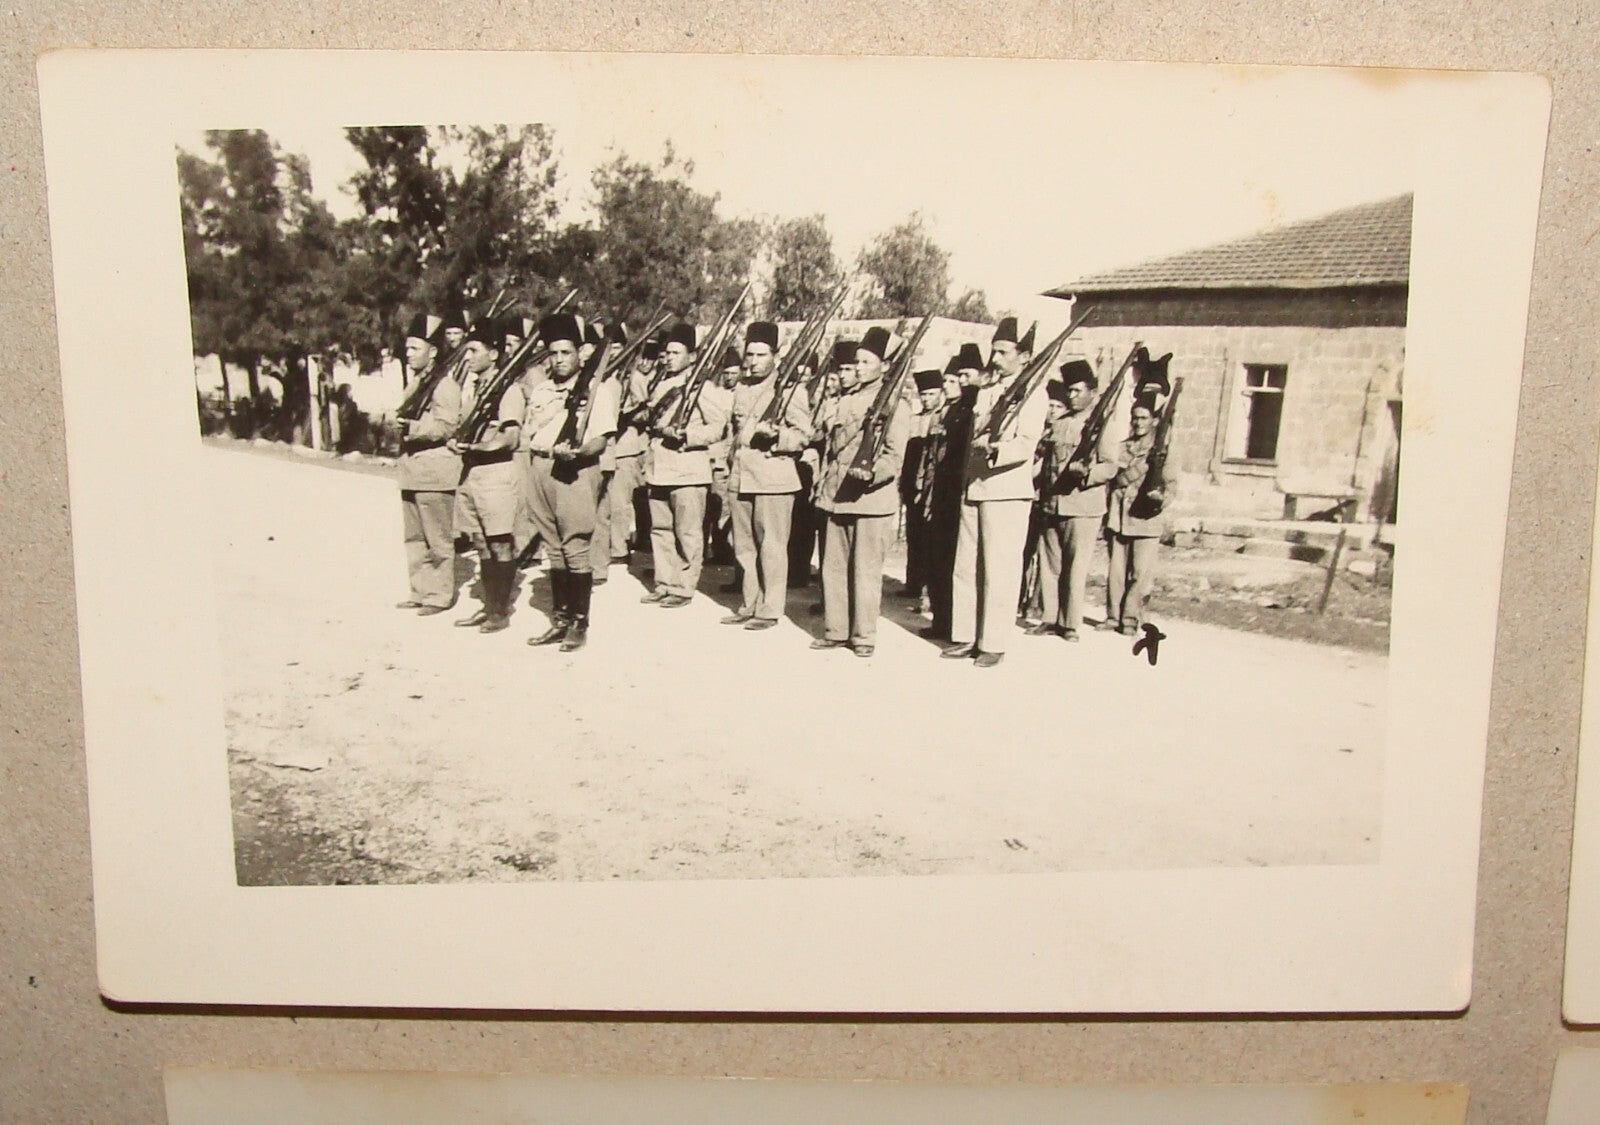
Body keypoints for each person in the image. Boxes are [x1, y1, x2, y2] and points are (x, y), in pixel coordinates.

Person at [945, 317, 1046, 668]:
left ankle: (994, 641)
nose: (996, 358)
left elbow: (1027, 443)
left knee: (999, 569)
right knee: (967, 565)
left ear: (1024, 356)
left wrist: (996, 450)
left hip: (1006, 490)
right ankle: (966, 635)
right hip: (975, 485)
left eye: (1003, 352)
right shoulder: (988, 391)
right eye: (994, 351)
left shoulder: (1034, 393)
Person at [521, 312, 621, 652]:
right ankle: (560, 620)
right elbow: (533, 431)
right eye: (554, 353)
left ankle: (579, 624)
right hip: (541, 468)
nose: (560, 359)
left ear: (580, 354)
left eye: (566, 352)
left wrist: (577, 452)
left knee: (575, 547)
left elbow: (602, 439)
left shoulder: (597, 390)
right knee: (553, 548)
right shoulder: (542, 390)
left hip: (574, 472)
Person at [812, 326, 913, 658]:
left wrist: (870, 475)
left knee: (866, 572)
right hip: (836, 495)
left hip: (870, 500)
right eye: (856, 362)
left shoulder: (897, 404)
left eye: (866, 362)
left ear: (884, 366)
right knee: (834, 568)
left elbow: (894, 457)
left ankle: (864, 636)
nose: (857, 368)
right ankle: (836, 630)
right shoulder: (845, 398)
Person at [723, 321, 813, 630]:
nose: (754, 361)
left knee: (772, 546)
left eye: (761, 355)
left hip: (773, 477)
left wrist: (775, 436)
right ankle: (749, 604)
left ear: (775, 354)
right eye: (750, 354)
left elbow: (804, 436)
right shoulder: (742, 388)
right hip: (741, 475)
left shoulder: (790, 390)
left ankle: (770, 609)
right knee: (744, 546)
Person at [640, 322, 732, 609]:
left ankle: (684, 587)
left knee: (688, 532)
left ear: (692, 356)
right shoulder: (660, 383)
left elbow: (718, 427)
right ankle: (664, 582)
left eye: (675, 352)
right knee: (661, 529)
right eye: (666, 353)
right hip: (659, 467)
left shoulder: (701, 388)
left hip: (687, 469)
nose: (668, 358)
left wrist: (688, 436)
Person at [447, 319, 525, 633]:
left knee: (499, 543)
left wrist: (478, 446)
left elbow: (510, 437)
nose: (468, 357)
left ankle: (500, 611)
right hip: (471, 472)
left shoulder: (508, 389)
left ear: (494, 355)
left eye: (474, 351)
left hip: (495, 474)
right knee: (480, 542)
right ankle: (489, 606)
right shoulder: (475, 387)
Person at [1032, 359, 1117, 641]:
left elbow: (1111, 465)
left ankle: (1069, 624)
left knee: (1075, 567)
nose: (1072, 396)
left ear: (1093, 391)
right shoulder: (1061, 423)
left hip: (1082, 506)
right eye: (1069, 391)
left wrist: (1087, 473)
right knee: (1050, 564)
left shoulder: (1103, 425)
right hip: (1053, 502)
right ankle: (1049, 617)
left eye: (1078, 391)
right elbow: (1045, 461)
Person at [394, 313, 463, 616]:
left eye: (414, 348)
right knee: (414, 537)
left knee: (437, 538)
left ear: (433, 351)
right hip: (412, 471)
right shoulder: (416, 384)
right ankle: (420, 590)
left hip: (435, 471)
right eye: (407, 349)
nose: (408, 354)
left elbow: (447, 426)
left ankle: (439, 594)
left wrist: (411, 428)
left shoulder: (445, 385)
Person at [1104, 357, 1172, 636]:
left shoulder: (1164, 451)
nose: (1138, 423)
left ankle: (1130, 617)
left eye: (1144, 418)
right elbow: (1114, 477)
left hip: (1146, 518)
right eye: (1135, 418)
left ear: (1155, 420)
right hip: (1120, 516)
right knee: (1116, 571)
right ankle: (1112, 616)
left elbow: (1172, 485)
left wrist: (1160, 498)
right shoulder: (1123, 447)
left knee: (1139, 573)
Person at [900, 368, 948, 616]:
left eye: (931, 394)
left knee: (930, 541)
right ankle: (913, 582)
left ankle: (926, 592)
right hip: (913, 484)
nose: (927, 399)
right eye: (924, 395)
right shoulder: (915, 419)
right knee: (914, 535)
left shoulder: (942, 418)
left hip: (931, 486)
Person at [610, 332, 660, 563]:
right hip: (611, 446)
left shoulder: (634, 378)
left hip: (627, 446)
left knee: (620, 502)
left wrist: (623, 416)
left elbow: (646, 413)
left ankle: (619, 549)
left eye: (617, 348)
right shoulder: (611, 377)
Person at [707, 344, 743, 568]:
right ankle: (718, 551)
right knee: (714, 508)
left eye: (733, 373)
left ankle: (727, 553)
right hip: (716, 457)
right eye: (726, 373)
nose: (729, 377)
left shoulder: (743, 394)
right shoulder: (717, 395)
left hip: (732, 460)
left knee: (727, 509)